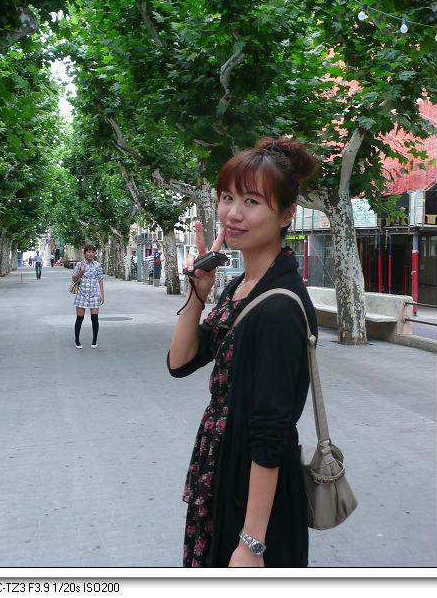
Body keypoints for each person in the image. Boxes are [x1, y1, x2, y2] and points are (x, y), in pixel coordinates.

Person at [168, 136, 318, 568]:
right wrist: (198, 292)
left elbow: (271, 432)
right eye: (227, 197)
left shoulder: (279, 307)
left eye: (251, 201)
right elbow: (180, 362)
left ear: (286, 214)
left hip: (252, 497)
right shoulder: (242, 285)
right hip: (222, 468)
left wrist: (251, 545)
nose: (232, 213)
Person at [71, 245, 104, 349]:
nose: (91, 254)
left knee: (94, 318)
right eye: (89, 252)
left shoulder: (97, 265)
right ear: (85, 253)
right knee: (80, 318)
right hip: (82, 294)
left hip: (94, 294)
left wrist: (102, 294)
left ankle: (94, 341)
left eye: (93, 252)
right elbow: (74, 278)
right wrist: (81, 271)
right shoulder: (79, 264)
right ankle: (77, 340)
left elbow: (100, 279)